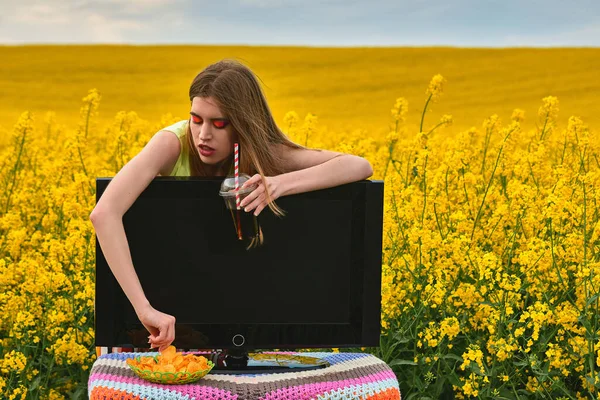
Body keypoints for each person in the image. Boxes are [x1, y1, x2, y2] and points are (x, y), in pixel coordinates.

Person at [90, 59, 373, 352]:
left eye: (219, 123)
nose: (203, 135)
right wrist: (144, 310)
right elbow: (104, 213)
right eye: (196, 119)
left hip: (223, 316)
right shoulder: (171, 144)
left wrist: (279, 184)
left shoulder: (264, 152)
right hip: (156, 323)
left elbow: (358, 166)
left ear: (243, 123)